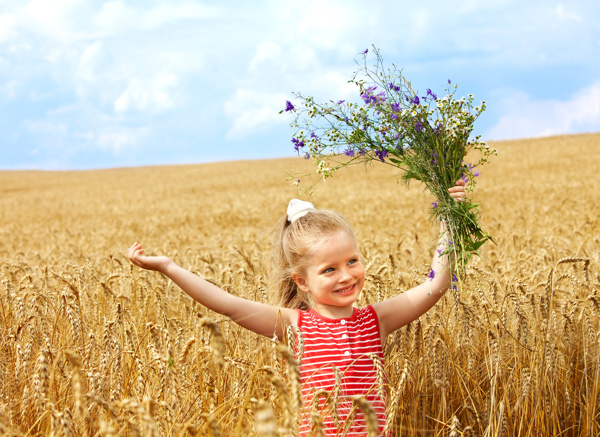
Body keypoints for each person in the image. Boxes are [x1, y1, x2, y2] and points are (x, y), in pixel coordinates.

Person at [128, 180, 467, 436]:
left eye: (352, 261)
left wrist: (449, 222)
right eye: (329, 269)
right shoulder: (295, 324)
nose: (346, 275)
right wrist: (168, 267)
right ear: (302, 281)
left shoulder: (375, 321)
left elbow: (435, 286)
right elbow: (228, 305)